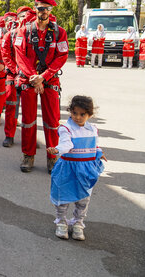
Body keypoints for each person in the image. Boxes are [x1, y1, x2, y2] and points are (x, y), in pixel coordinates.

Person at [14, 0, 68, 174]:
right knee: (28, 121)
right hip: (29, 80)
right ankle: (28, 156)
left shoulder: (59, 32)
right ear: (35, 9)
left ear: (51, 11)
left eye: (47, 9)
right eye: (40, 8)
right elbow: (19, 55)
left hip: (49, 80)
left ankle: (52, 157)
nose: (43, 12)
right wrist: (33, 77)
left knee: (52, 121)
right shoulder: (25, 30)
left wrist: (43, 77)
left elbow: (62, 56)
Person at [47, 95, 106, 241]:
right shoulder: (65, 128)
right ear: (70, 112)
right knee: (63, 197)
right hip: (67, 169)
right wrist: (57, 150)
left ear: (90, 115)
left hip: (86, 170)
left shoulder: (93, 129)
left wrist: (99, 153)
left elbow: (94, 145)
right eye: (74, 113)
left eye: (82, 114)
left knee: (83, 199)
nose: (77, 117)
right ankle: (61, 222)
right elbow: (66, 144)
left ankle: (78, 223)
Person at [1, 7, 34, 147]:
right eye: (22, 17)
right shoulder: (10, 35)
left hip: (29, 77)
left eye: (28, 17)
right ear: (18, 19)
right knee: (11, 106)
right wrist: (16, 70)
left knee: (30, 111)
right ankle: (9, 135)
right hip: (13, 75)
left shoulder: (35, 35)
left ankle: (30, 138)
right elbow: (5, 54)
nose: (25, 19)